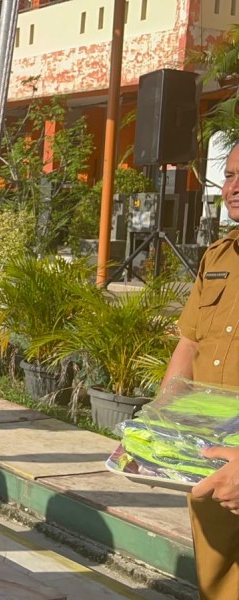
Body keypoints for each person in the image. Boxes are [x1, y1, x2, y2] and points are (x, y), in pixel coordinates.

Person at [162, 141, 239, 600]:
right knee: (217, 583)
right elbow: (190, 345)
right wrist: (157, 424)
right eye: (229, 175)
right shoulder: (218, 256)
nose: (235, 187)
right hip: (211, 460)